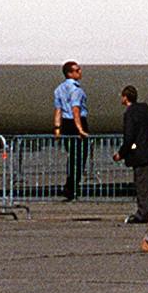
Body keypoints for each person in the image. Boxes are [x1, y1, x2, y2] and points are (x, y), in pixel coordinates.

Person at [117, 86, 148, 225]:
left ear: (125, 97)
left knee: (142, 185)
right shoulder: (145, 109)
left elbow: (129, 137)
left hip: (140, 154)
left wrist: (121, 153)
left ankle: (143, 213)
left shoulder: (130, 114)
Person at [51, 61, 90, 201]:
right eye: (77, 70)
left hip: (66, 124)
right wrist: (80, 129)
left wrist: (57, 128)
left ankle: (70, 186)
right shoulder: (76, 90)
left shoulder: (59, 89)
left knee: (72, 157)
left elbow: (58, 110)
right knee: (79, 158)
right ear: (70, 73)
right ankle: (72, 188)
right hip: (76, 123)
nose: (80, 72)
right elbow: (75, 110)